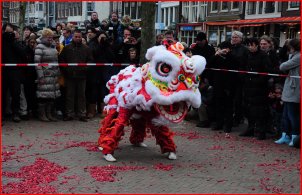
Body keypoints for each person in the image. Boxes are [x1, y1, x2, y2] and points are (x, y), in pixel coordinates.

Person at [239, 38, 271, 140]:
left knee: (260, 110)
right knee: (247, 108)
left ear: (256, 45)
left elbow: (267, 71)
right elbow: (242, 67)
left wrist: (258, 81)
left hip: (259, 87)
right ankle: (251, 128)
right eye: (248, 45)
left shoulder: (263, 56)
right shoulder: (246, 55)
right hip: (248, 86)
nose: (250, 47)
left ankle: (261, 131)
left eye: (252, 45)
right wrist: (244, 78)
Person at [59, 29, 93, 122]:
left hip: (82, 76)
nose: (78, 38)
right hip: (70, 76)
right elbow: (61, 60)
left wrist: (85, 69)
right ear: (72, 37)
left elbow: (90, 61)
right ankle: (70, 114)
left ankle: (82, 114)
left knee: (81, 95)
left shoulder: (86, 48)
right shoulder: (67, 48)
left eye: (79, 37)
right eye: (76, 36)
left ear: (82, 37)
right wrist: (67, 70)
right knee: (70, 95)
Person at [206, 41, 237, 133]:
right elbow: (209, 64)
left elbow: (234, 65)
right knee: (218, 105)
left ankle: (228, 125)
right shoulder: (217, 57)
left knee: (228, 106)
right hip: (217, 84)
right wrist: (216, 55)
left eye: (225, 48)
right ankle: (219, 123)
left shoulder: (233, 57)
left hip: (228, 85)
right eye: (221, 48)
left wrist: (227, 54)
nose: (223, 50)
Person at [275, 39, 300, 146]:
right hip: (290, 87)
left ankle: (295, 136)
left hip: (294, 88)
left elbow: (282, 66)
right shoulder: (294, 55)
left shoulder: (298, 56)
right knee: (286, 114)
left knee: (292, 114)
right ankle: (285, 135)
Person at [34, 28, 61, 122]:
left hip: (53, 75)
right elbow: (37, 63)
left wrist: (58, 72)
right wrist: (40, 76)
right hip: (45, 75)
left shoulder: (53, 46)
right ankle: (42, 114)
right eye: (48, 37)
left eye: (51, 37)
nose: (50, 38)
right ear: (44, 37)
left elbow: (56, 61)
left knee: (51, 97)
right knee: (43, 96)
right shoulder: (39, 47)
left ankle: (49, 114)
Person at [230, 31, 249, 127]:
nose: (233, 39)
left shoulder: (245, 50)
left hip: (240, 77)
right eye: (232, 37)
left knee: (238, 99)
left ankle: (238, 117)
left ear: (241, 39)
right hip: (230, 77)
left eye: (236, 37)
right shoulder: (230, 48)